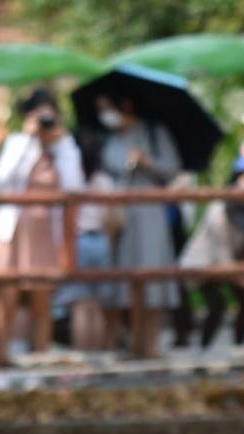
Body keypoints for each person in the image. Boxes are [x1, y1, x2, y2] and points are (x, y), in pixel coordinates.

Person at [0, 88, 83, 355]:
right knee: (6, 299)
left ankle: (39, 361)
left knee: (42, 303)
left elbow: (73, 186)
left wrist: (60, 145)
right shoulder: (17, 143)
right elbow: (3, 177)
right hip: (12, 232)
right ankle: (1, 358)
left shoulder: (65, 147)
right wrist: (29, 140)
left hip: (44, 236)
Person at [98, 92, 184, 342]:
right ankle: (125, 341)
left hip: (149, 213)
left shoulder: (154, 133)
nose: (105, 114)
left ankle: (150, 342)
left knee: (151, 276)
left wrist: (146, 161)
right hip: (120, 214)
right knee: (119, 282)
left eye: (107, 107)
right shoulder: (110, 139)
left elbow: (172, 169)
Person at [176, 151, 244, 349]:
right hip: (202, 266)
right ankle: (203, 353)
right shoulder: (219, 211)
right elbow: (224, 263)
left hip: (230, 267)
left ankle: (240, 349)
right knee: (217, 304)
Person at [59, 132, 120, 352]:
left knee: (81, 306)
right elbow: (111, 219)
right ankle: (96, 358)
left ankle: (83, 361)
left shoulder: (71, 181)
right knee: (97, 305)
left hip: (79, 241)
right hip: (101, 241)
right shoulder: (105, 181)